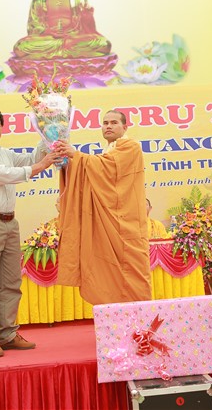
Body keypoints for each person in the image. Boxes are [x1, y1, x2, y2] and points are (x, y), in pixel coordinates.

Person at [0, 105, 62, 358]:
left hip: (9, 222)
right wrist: (42, 165)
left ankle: (7, 334)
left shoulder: (3, 152)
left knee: (11, 282)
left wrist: (47, 134)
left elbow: (30, 160)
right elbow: (7, 175)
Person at [53, 110, 152, 305]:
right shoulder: (109, 150)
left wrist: (75, 155)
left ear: (125, 127)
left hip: (127, 225)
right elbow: (94, 176)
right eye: (105, 123)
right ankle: (114, 317)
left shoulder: (130, 146)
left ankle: (139, 319)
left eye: (114, 122)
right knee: (109, 275)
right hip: (111, 224)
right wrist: (67, 163)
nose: (108, 126)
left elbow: (107, 167)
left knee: (133, 276)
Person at [13, 0, 111, 60]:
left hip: (73, 38)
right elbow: (33, 25)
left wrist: (88, 16)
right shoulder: (38, 0)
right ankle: (70, 53)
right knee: (20, 47)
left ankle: (53, 54)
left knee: (104, 44)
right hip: (49, 40)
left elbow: (88, 28)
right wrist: (48, 31)